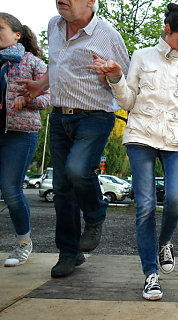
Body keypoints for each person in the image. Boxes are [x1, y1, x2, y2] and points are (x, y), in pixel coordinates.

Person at [88, 3, 178, 301]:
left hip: (175, 141)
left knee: (176, 199)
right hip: (140, 136)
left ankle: (164, 242)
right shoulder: (141, 57)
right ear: (167, 30)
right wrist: (116, 78)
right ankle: (151, 274)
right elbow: (128, 101)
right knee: (146, 204)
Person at [19, 0, 130, 278]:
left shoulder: (108, 35)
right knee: (62, 188)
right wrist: (39, 86)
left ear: (91, 1)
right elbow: (57, 65)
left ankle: (95, 215)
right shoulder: (53, 26)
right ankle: (69, 253)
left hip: (94, 116)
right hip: (59, 118)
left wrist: (109, 75)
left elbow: (125, 79)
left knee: (78, 170)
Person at [0, 13, 49, 267]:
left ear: (17, 35)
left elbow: (50, 98)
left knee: (10, 190)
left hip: (20, 135)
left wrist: (28, 99)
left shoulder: (32, 63)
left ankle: (23, 243)